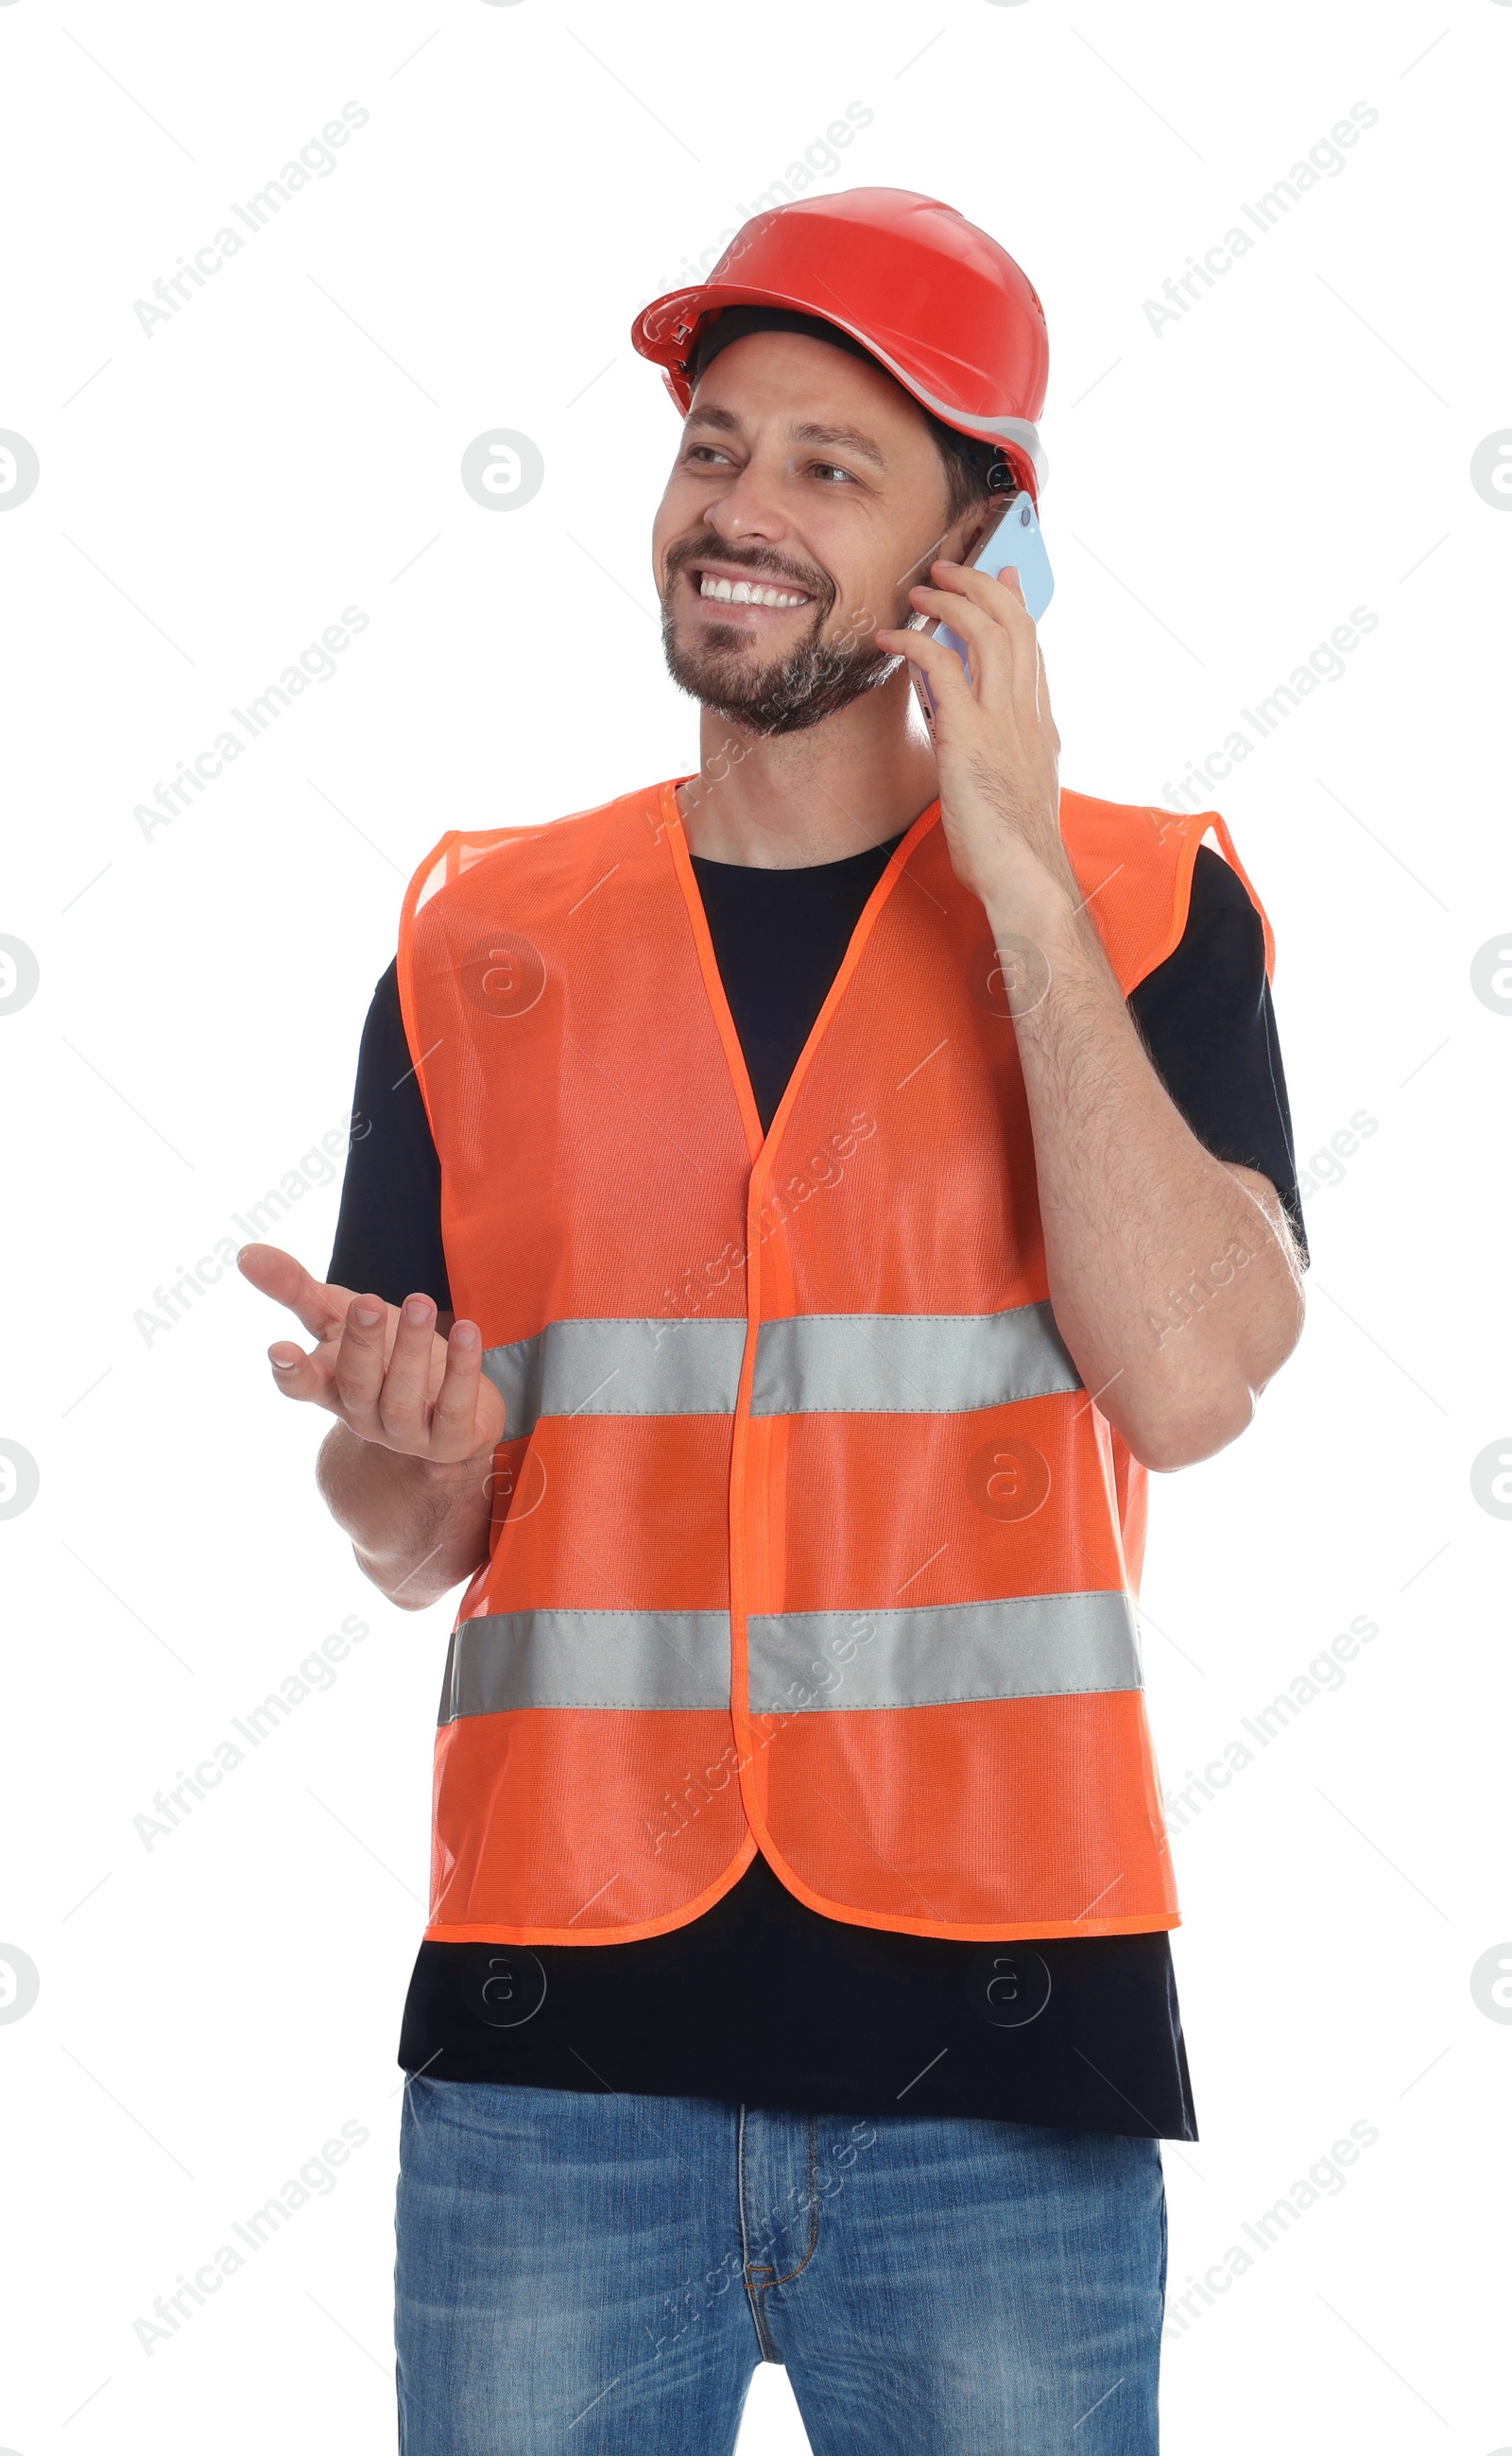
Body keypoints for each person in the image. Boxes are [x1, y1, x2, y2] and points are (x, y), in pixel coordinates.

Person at [239, 187, 1308, 2454]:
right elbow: (412, 1530)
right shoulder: (481, 941)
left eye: (834, 464)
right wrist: (401, 1453)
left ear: (975, 542)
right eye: (716, 446)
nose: (737, 509)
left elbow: (1196, 1379)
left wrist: (1010, 864)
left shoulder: (1142, 911)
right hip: (554, 2058)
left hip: (1000, 2059)